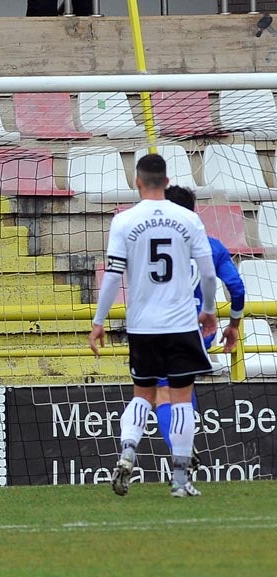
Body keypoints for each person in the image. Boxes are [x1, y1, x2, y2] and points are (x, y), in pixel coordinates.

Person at [88, 155, 219, 498]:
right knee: (180, 399)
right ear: (167, 180)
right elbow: (207, 273)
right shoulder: (188, 219)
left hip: (143, 326)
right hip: (180, 324)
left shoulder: (124, 221)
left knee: (142, 395)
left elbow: (113, 276)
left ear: (137, 181)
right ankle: (179, 480)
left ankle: (128, 451)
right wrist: (207, 310)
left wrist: (99, 321)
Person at [148, 185, 245, 495]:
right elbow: (237, 289)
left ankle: (180, 454)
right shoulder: (211, 246)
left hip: (157, 327)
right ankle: (183, 452)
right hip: (198, 328)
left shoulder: (151, 243)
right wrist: (234, 325)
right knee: (182, 390)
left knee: (162, 395)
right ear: (193, 211)